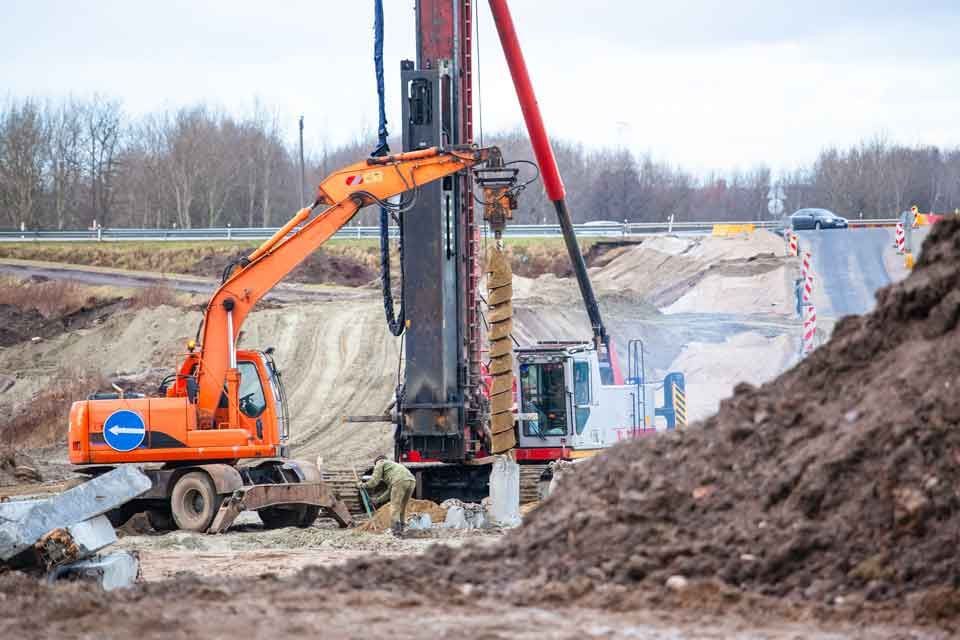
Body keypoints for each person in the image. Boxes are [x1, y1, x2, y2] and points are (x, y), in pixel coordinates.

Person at [358, 455, 417, 536]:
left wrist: (363, 485)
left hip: (399, 481)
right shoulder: (393, 467)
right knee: (403, 506)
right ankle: (403, 527)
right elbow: (390, 491)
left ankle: (396, 531)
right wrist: (377, 500)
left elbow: (374, 481)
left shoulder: (380, 463)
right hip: (411, 480)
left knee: (394, 506)